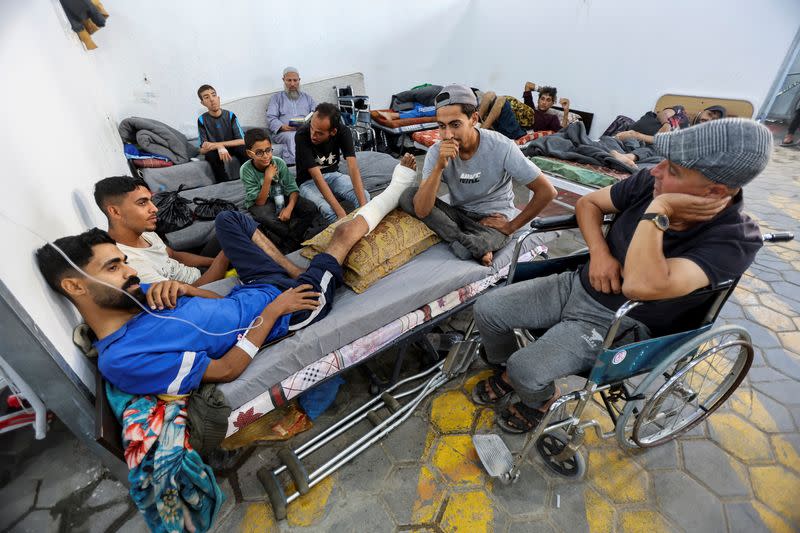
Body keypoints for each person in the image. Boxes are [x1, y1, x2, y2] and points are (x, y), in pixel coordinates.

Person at [470, 118, 771, 433]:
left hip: (620, 324)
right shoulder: (649, 182)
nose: (656, 169)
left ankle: (541, 400)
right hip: (580, 283)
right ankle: (507, 372)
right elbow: (589, 204)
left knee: (527, 368)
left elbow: (641, 285)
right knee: (487, 309)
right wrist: (599, 252)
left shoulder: (734, 238)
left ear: (715, 191)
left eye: (675, 170)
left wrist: (661, 209)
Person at [40, 155, 420, 396]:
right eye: (113, 267)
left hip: (252, 290)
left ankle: (290, 267)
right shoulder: (123, 357)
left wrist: (185, 289)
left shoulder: (141, 295)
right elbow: (225, 370)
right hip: (288, 310)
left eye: (121, 262)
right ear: (74, 285)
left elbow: (216, 302)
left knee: (230, 219)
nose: (127, 272)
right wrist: (273, 311)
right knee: (343, 234)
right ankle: (398, 190)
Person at [399, 84, 557, 266]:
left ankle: (468, 243)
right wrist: (438, 168)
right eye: (441, 126)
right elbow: (421, 209)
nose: (447, 134)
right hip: (459, 213)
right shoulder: (437, 152)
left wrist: (510, 227)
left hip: (494, 219)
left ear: (473, 119)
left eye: (455, 124)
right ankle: (469, 243)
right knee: (409, 196)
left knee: (487, 237)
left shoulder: (502, 146)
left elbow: (547, 191)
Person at [93, 176, 229, 286]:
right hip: (201, 287)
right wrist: (225, 258)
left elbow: (174, 255)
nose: (155, 209)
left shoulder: (144, 233)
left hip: (200, 273)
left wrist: (214, 263)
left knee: (230, 223)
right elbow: (188, 295)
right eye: (142, 203)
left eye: (150, 201)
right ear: (115, 211)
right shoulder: (130, 263)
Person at [240, 128, 318, 252]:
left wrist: (289, 208)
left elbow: (292, 189)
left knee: (311, 208)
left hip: (280, 195)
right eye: (259, 152)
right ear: (250, 154)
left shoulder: (279, 163)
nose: (266, 156)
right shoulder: (246, 170)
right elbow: (260, 202)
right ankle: (294, 239)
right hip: (260, 201)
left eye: (268, 150)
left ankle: (291, 240)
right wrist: (267, 178)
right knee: (268, 218)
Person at [295, 103, 370, 225]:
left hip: (333, 174)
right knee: (329, 209)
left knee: (364, 197)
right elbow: (317, 177)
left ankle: (361, 228)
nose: (313, 135)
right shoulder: (301, 135)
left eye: (319, 133)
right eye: (311, 128)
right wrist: (340, 213)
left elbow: (353, 167)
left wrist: (364, 208)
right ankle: (343, 237)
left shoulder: (343, 132)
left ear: (333, 132)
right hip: (308, 181)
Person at [196, 84, 248, 182]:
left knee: (243, 149)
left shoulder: (230, 115)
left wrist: (220, 144)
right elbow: (203, 147)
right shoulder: (202, 119)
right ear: (203, 103)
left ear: (218, 98)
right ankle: (224, 183)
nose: (212, 99)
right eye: (206, 97)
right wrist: (219, 147)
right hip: (215, 150)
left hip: (233, 147)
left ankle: (249, 178)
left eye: (213, 95)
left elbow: (242, 140)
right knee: (210, 155)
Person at [266, 67, 317, 164]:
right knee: (293, 136)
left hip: (306, 129)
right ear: (283, 80)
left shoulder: (307, 98)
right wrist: (283, 127)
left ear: (299, 80)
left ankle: (319, 162)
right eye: (289, 80)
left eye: (295, 80)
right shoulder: (276, 98)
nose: (292, 84)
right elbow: (271, 118)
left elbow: (315, 113)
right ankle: (294, 165)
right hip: (284, 132)